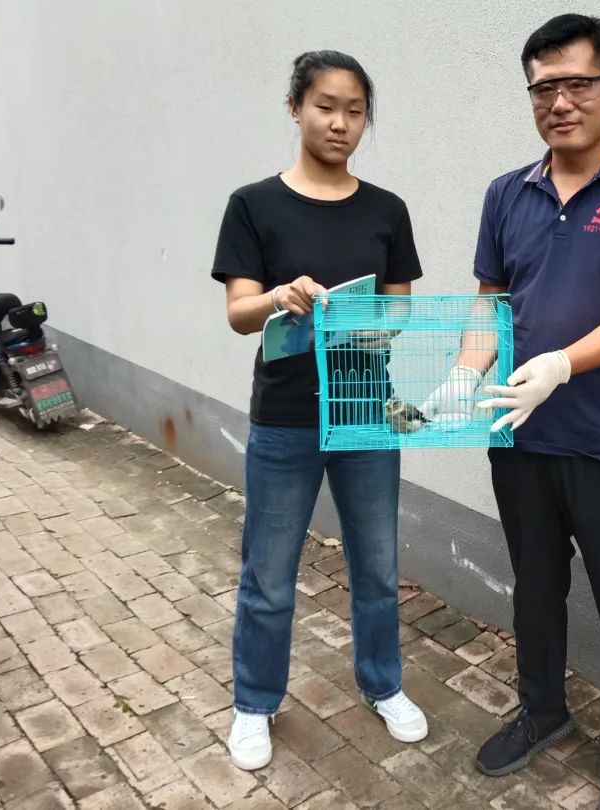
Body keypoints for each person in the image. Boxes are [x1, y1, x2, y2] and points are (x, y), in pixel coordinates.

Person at [423, 14, 600, 809]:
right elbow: (491, 302)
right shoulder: (507, 193)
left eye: (577, 84)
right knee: (535, 589)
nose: (559, 102)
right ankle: (542, 711)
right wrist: (464, 376)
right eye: (543, 88)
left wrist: (563, 364)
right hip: (518, 433)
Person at [211, 50, 428, 771]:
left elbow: (400, 308)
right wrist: (280, 296)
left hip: (366, 410)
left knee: (378, 566)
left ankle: (383, 684)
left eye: (355, 111)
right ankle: (254, 703)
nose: (340, 123)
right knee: (269, 574)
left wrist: (374, 328)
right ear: (295, 108)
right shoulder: (253, 204)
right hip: (285, 417)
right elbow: (240, 313)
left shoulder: (386, 209)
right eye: (326, 106)